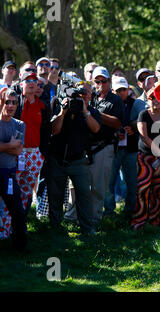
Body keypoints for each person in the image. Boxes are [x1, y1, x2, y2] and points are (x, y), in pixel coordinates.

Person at [47, 82, 100, 236]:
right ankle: (55, 228)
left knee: (84, 195)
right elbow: (54, 130)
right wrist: (62, 112)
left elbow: (96, 129)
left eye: (85, 93)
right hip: (57, 158)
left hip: (79, 160)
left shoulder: (91, 111)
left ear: (90, 95)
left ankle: (87, 229)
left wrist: (84, 111)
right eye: (78, 94)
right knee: (55, 196)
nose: (82, 96)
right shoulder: (58, 104)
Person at [89, 66, 124, 228]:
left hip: (105, 147)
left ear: (109, 81)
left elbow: (118, 123)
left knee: (99, 187)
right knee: (81, 186)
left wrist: (95, 113)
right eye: (97, 81)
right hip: (86, 147)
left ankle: (94, 221)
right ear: (92, 82)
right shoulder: (89, 97)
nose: (101, 84)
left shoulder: (115, 99)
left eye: (104, 81)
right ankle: (77, 218)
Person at [131, 87, 160, 229]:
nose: (155, 100)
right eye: (152, 97)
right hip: (145, 157)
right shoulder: (143, 114)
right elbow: (144, 137)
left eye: (158, 97)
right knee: (143, 189)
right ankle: (139, 220)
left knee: (157, 189)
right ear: (148, 99)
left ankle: (154, 220)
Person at [13, 72, 51, 215]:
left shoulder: (43, 106)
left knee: (27, 191)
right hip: (16, 153)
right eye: (27, 80)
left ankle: (23, 221)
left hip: (35, 153)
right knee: (13, 189)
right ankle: (9, 223)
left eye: (34, 81)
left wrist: (42, 154)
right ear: (21, 84)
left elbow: (47, 132)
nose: (31, 83)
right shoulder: (14, 102)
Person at [104, 77, 138, 216]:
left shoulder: (135, 103)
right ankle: (109, 212)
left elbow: (143, 119)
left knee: (132, 183)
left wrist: (133, 128)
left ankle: (130, 211)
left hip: (131, 148)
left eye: (124, 89)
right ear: (113, 90)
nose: (121, 92)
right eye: (118, 90)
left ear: (128, 90)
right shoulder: (108, 103)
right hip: (113, 148)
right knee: (109, 182)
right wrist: (115, 133)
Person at [0, 88, 27, 249]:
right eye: (7, 101)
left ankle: (20, 248)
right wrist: (9, 144)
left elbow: (18, 151)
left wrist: (6, 147)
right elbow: (14, 147)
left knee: (17, 211)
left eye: (14, 102)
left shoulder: (19, 125)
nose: (10, 106)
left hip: (9, 174)